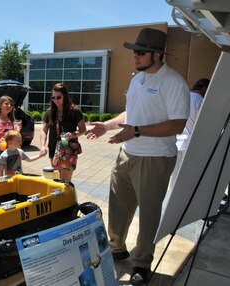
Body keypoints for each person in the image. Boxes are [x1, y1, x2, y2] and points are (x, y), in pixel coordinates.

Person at [86, 28, 190, 285]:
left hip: (155, 158)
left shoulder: (173, 82)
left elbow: (178, 124)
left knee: (148, 214)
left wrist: (138, 131)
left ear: (157, 55)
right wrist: (107, 125)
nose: (135, 56)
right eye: (134, 51)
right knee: (118, 206)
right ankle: (117, 247)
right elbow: (128, 113)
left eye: (140, 52)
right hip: (126, 154)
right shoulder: (137, 80)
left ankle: (142, 263)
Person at [39, 83, 86, 181]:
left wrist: (73, 134)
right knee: (56, 181)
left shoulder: (74, 111)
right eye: (53, 97)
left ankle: (68, 196)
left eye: (59, 97)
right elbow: (44, 130)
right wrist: (43, 146)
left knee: (65, 183)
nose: (55, 100)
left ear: (66, 96)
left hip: (68, 151)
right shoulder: (49, 112)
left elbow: (83, 129)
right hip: (53, 150)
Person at [177, 78, 210, 150]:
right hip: (191, 145)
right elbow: (205, 126)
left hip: (177, 144)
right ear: (204, 88)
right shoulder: (201, 101)